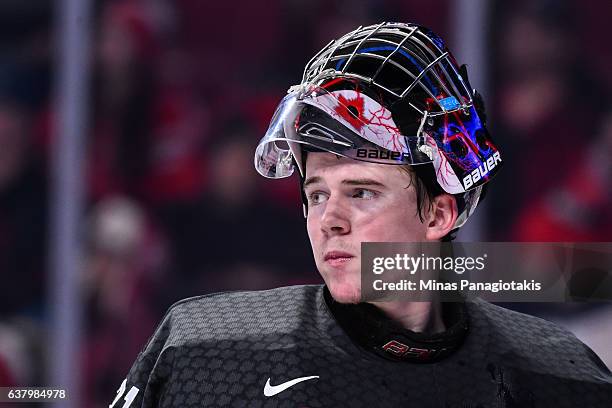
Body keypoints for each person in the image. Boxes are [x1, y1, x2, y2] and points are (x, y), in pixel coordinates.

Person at [110, 22, 612, 407]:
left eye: (362, 192)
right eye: (315, 193)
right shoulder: (202, 351)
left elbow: (575, 274)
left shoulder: (562, 375)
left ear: (439, 214)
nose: (329, 219)